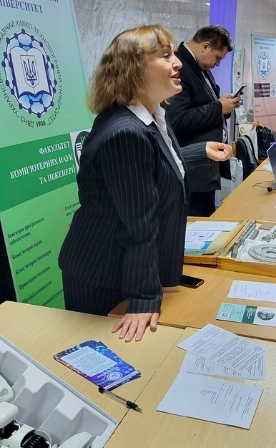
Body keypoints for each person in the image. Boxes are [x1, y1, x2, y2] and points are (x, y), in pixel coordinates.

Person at [58, 25, 232, 342]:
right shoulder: (126, 131)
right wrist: (144, 297)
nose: (177, 62)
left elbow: (153, 162)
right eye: (165, 56)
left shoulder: (148, 117)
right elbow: (138, 223)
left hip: (125, 268)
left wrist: (198, 150)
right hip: (104, 275)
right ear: (135, 69)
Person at [166, 25, 239, 217]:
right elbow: (177, 119)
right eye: (218, 58)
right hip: (192, 166)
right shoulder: (180, 67)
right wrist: (218, 108)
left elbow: (204, 103)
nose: (218, 64)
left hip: (206, 166)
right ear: (205, 46)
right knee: (195, 222)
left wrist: (224, 105)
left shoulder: (200, 65)